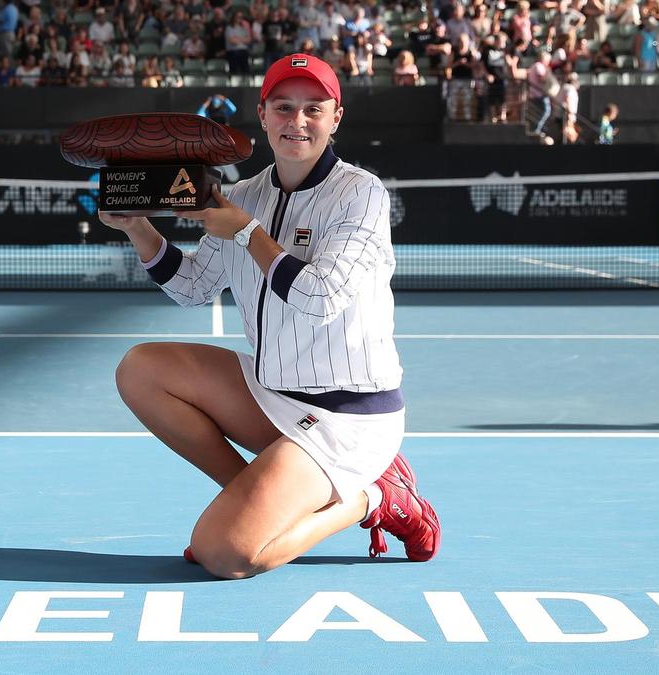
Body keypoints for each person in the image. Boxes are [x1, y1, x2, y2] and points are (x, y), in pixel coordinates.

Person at [98, 53, 440, 580]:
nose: (296, 122)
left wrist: (244, 231)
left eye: (312, 109)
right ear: (262, 114)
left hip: (347, 418)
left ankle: (374, 497)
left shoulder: (360, 194)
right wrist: (138, 228)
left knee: (226, 553)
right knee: (140, 369)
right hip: (273, 393)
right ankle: (259, 499)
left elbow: (320, 296)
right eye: (283, 107)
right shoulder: (243, 194)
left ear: (335, 117)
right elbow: (192, 287)